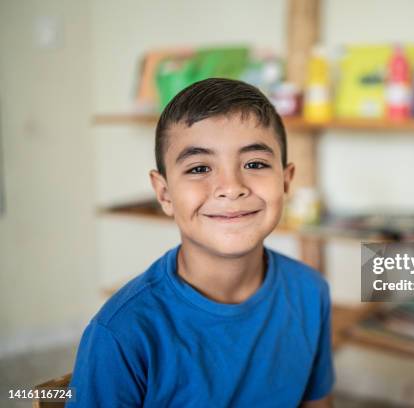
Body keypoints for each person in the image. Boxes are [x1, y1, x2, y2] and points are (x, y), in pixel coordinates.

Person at [68, 78, 334, 407]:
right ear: (164, 193)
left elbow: (317, 401)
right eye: (199, 168)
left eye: (254, 164)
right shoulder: (121, 332)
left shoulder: (310, 291)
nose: (231, 187)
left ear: (285, 181)